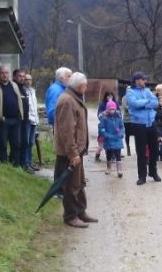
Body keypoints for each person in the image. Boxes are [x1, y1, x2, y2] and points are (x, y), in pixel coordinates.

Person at [54, 72, 98, 228]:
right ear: (80, 86)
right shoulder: (67, 101)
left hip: (76, 151)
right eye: (85, 85)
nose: (86, 88)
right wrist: (73, 153)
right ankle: (70, 216)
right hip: (69, 153)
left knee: (79, 183)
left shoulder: (73, 98)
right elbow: (66, 131)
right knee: (71, 186)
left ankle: (80, 212)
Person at [126, 71, 162, 185]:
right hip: (139, 124)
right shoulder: (130, 92)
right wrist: (147, 102)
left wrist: (144, 104)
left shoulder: (147, 90)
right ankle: (142, 176)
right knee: (141, 151)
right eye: (143, 79)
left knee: (155, 149)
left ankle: (153, 172)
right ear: (137, 80)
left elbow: (156, 102)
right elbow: (134, 104)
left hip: (151, 122)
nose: (145, 81)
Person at [98, 101, 125, 178]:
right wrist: (105, 134)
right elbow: (101, 128)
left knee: (118, 155)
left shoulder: (118, 117)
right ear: (107, 109)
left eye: (113, 109)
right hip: (108, 139)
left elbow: (122, 127)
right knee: (109, 154)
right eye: (110, 109)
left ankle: (119, 170)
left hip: (117, 138)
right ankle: (109, 168)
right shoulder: (104, 118)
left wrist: (121, 133)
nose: (112, 111)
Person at [13, 69, 32, 172]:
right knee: (18, 143)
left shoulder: (23, 89)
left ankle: (24, 163)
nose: (22, 78)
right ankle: (17, 164)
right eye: (20, 76)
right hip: (17, 121)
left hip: (25, 121)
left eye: (23, 76)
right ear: (15, 77)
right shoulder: (13, 88)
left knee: (25, 143)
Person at [95, 91, 119, 162]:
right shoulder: (102, 105)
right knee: (101, 145)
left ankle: (112, 156)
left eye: (111, 96)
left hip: (112, 130)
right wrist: (104, 112)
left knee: (112, 144)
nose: (110, 98)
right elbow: (99, 116)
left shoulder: (115, 104)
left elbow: (119, 116)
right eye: (108, 96)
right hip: (104, 130)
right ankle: (97, 156)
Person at [23, 73, 40, 171]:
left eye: (30, 79)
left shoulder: (33, 91)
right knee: (27, 142)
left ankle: (30, 162)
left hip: (34, 120)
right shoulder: (23, 91)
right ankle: (26, 163)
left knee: (31, 142)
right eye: (26, 79)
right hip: (27, 121)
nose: (28, 81)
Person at [121, 87, 135, 156]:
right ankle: (128, 148)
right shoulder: (124, 98)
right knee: (127, 135)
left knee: (136, 134)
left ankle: (137, 148)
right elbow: (126, 108)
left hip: (134, 119)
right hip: (127, 120)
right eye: (128, 90)